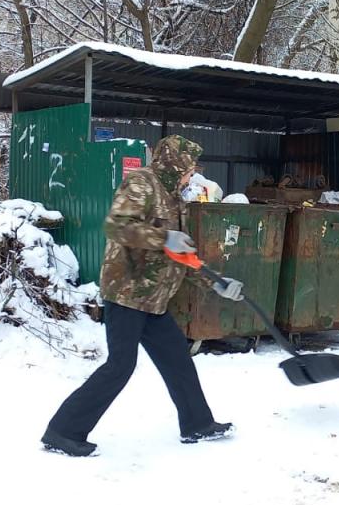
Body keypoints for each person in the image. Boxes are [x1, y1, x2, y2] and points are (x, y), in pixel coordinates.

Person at [41, 135, 244, 456]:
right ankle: (63, 431)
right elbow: (117, 226)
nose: (191, 175)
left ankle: (197, 424)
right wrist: (164, 237)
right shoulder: (141, 184)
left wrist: (215, 282)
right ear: (174, 164)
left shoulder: (173, 195)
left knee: (178, 359)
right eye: (189, 169)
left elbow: (179, 253)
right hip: (126, 292)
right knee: (120, 366)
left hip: (153, 299)